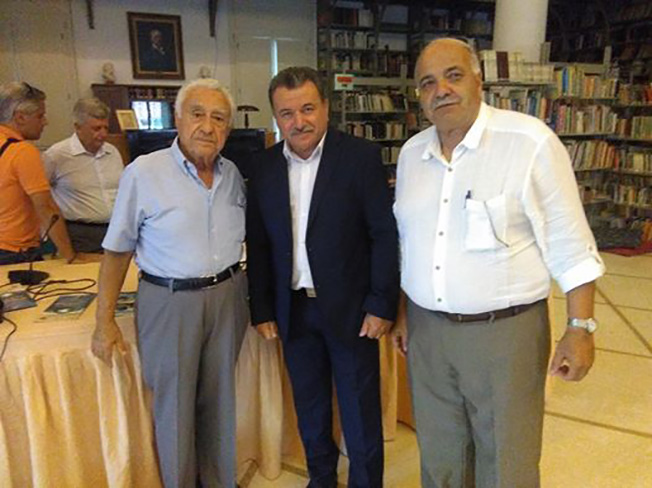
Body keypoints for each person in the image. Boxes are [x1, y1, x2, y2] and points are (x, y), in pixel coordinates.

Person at [391, 38, 606, 487]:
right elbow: (410, 244)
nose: (441, 90)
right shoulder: (412, 155)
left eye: (453, 76)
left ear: (478, 79)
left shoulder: (528, 142)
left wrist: (580, 327)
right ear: (419, 96)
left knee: (507, 460)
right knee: (441, 456)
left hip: (505, 335)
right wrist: (404, 312)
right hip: (427, 336)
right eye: (428, 83)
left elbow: (569, 241)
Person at [246, 66, 399, 488]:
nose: (299, 121)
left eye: (308, 109)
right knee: (310, 408)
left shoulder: (360, 157)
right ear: (276, 118)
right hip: (293, 310)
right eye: (287, 113)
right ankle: (321, 479)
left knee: (359, 409)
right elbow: (258, 243)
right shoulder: (263, 167)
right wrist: (262, 308)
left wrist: (382, 302)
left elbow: (383, 234)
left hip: (353, 312)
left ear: (326, 108)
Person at [91, 78, 248, 488]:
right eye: (197, 114)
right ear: (177, 119)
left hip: (229, 296)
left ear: (228, 129)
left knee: (220, 401)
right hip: (169, 301)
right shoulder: (144, 172)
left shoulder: (232, 174)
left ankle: (218, 481)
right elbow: (117, 251)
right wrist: (103, 321)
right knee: (174, 406)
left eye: (219, 118)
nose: (207, 126)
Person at [0, 81, 76, 265]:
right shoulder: (22, 152)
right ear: (20, 117)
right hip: (14, 252)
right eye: (40, 116)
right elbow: (46, 208)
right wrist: (69, 256)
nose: (45, 122)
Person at [43, 98, 124, 253]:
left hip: (115, 230)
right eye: (96, 128)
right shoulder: (56, 155)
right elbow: (40, 198)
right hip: (80, 233)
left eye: (106, 128)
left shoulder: (113, 152)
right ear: (78, 127)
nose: (103, 134)